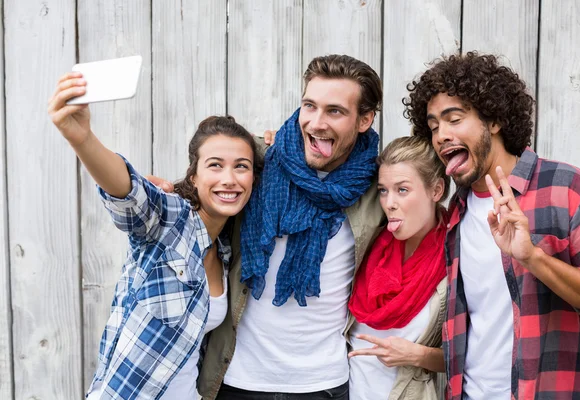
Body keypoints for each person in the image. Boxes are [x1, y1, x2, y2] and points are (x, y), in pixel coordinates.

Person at [47, 72, 262, 400]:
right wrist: (82, 138)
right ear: (195, 174)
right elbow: (128, 192)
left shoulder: (226, 251)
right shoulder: (170, 220)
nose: (229, 179)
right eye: (215, 165)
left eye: (242, 166)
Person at [404, 51, 580, 399]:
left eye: (454, 119)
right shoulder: (457, 209)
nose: (441, 135)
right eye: (434, 126)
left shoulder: (568, 189)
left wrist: (532, 258)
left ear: (493, 120)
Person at [193, 54, 386, 400]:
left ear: (365, 120)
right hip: (238, 379)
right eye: (309, 106)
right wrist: (166, 191)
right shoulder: (260, 161)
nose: (316, 122)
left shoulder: (378, 187)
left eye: (335, 111)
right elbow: (207, 183)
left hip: (323, 384)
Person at [346, 135, 449, 400]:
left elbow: (475, 357)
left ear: (436, 191)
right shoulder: (367, 243)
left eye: (402, 190)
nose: (389, 202)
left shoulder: (455, 261)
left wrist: (418, 355)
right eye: (383, 190)